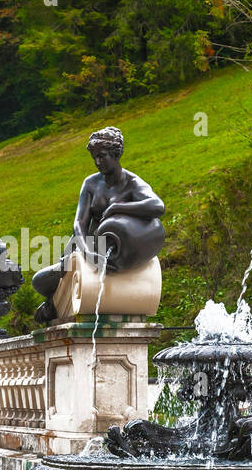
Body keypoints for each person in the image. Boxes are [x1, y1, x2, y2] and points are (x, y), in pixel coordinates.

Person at [32, 126, 165, 323]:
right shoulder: (91, 183)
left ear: (116, 154)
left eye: (102, 156)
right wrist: (88, 254)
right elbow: (79, 224)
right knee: (40, 280)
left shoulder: (132, 183)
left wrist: (118, 207)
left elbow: (157, 206)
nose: (97, 162)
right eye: (94, 157)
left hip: (113, 246)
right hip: (83, 247)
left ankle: (55, 303)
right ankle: (54, 301)